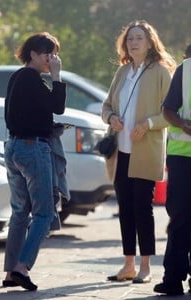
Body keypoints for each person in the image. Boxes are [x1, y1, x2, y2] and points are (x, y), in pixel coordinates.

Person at [102, 20, 176, 284]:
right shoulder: (122, 72)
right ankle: (128, 265)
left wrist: (148, 124)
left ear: (150, 42)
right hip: (121, 152)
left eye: (139, 38)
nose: (133, 43)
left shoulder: (161, 72)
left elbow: (171, 113)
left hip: (146, 152)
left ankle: (146, 266)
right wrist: (111, 118)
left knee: (142, 208)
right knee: (125, 210)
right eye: (130, 39)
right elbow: (106, 106)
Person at [2, 32, 66, 291]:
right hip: (32, 149)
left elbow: (31, 112)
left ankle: (9, 272)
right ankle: (21, 267)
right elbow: (57, 106)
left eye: (54, 54)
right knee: (44, 212)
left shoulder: (17, 76)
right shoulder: (32, 78)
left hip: (14, 147)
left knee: (19, 213)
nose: (52, 59)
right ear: (33, 54)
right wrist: (57, 77)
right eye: (48, 54)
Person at [153, 58, 191, 295]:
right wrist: (182, 123)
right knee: (180, 218)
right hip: (182, 158)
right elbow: (167, 110)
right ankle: (173, 278)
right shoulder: (185, 70)